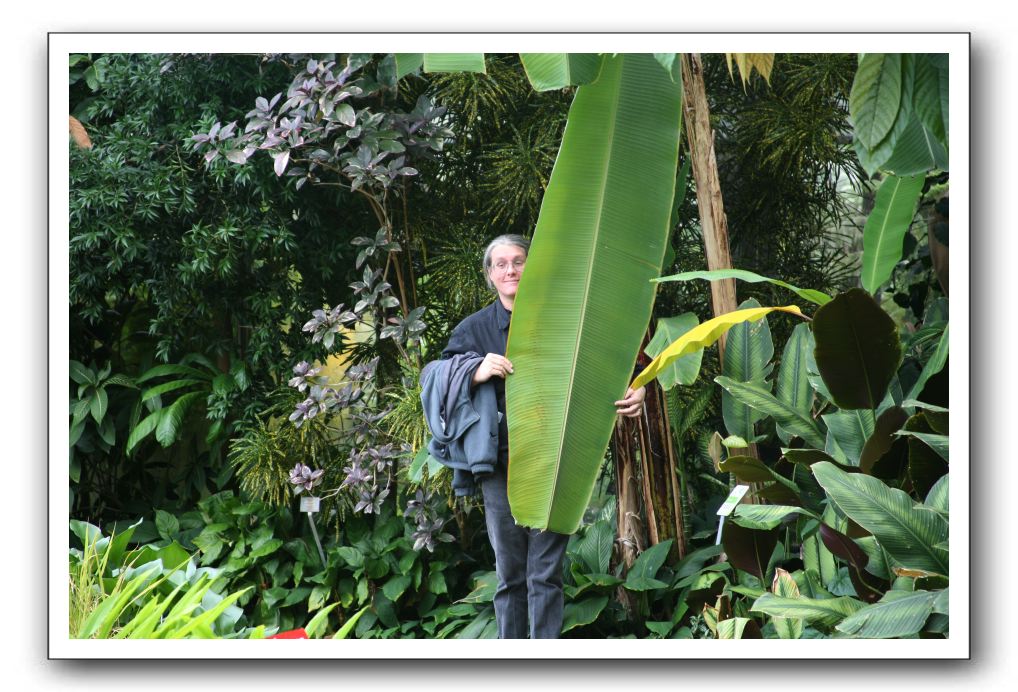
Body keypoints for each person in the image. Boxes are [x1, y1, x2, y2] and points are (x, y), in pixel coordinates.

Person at [437, 233, 646, 639]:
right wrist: (475, 371)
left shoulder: (564, 319)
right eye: (501, 264)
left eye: (518, 261)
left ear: (532, 267)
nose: (511, 269)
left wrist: (639, 389)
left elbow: (611, 362)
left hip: (557, 458)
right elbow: (440, 384)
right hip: (501, 465)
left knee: (546, 573)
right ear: (490, 276)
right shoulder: (474, 329)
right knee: (510, 573)